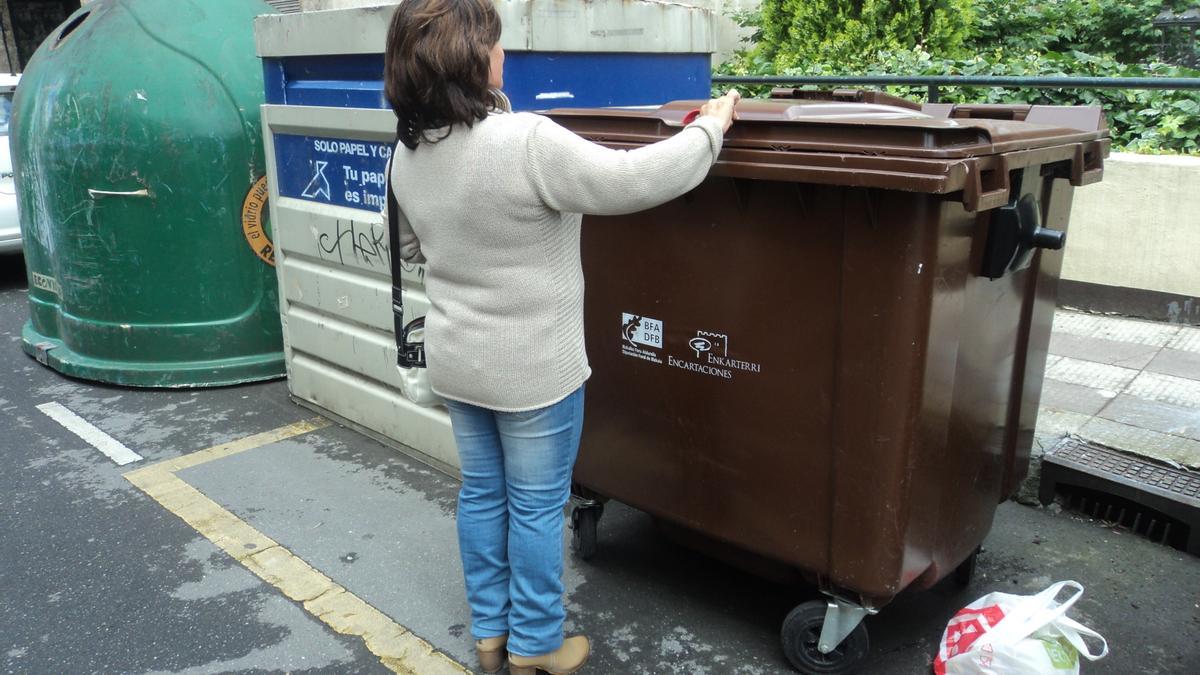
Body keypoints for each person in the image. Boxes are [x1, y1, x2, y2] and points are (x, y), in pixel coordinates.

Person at [382, 0, 739, 672]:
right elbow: (634, 180)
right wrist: (710, 131)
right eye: (494, 42)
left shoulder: (407, 156)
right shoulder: (528, 143)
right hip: (534, 368)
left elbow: (407, 248)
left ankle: (491, 632)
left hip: (459, 361)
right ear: (473, 61)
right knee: (539, 507)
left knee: (483, 494)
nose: (503, 53)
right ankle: (539, 643)